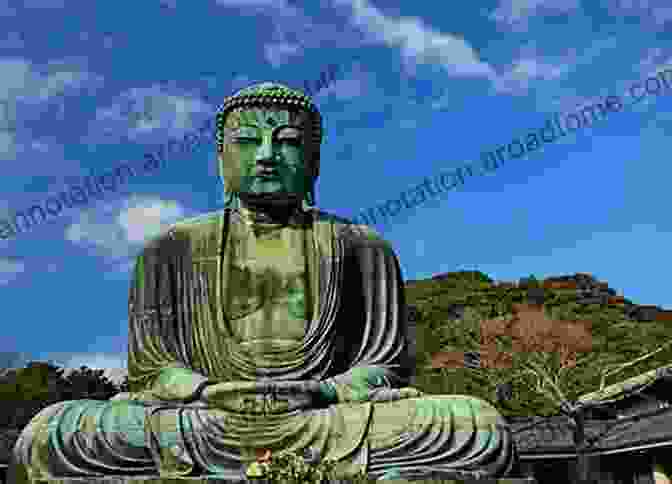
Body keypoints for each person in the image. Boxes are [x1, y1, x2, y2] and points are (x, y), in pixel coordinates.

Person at [8, 82, 517, 483]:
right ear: (220, 159)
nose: (268, 155)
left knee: (473, 424)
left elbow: (383, 365)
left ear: (314, 161)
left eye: (288, 142)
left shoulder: (363, 246)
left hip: (325, 419)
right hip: (206, 420)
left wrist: (322, 391)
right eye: (248, 141)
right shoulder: (171, 249)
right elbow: (153, 372)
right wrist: (210, 390)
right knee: (54, 433)